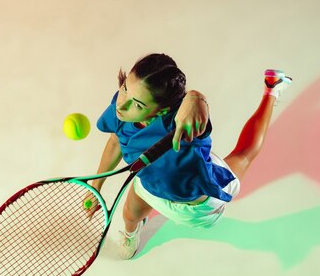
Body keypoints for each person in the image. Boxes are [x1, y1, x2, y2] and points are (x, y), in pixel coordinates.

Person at [90, 53, 292, 259]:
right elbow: (116, 141)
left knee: (245, 154)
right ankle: (131, 234)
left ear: (162, 112)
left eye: (138, 104)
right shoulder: (122, 109)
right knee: (129, 216)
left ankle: (271, 90)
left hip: (195, 205)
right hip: (149, 183)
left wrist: (196, 98)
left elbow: (196, 109)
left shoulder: (183, 124)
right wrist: (96, 187)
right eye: (125, 88)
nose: (122, 104)